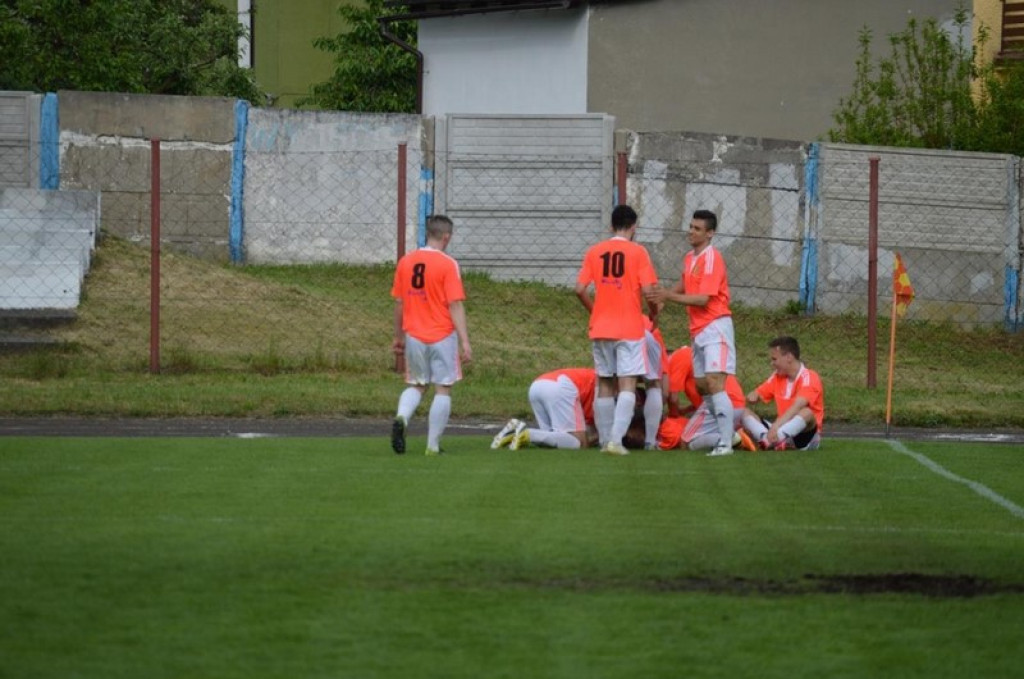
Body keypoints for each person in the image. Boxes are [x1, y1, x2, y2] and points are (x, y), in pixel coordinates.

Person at [647, 209, 737, 456]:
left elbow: (702, 299)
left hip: (716, 326)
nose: (691, 232)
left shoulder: (712, 258)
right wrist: (662, 300)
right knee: (701, 386)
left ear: (710, 233)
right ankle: (728, 433)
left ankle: (726, 443)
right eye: (690, 226)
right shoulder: (690, 257)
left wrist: (668, 296)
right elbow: (686, 282)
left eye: (697, 229)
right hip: (698, 330)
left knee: (714, 382)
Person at [574, 204, 660, 456]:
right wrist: (654, 313)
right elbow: (649, 291)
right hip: (629, 327)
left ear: (611, 226)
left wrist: (595, 311)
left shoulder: (595, 251)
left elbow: (579, 289)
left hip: (601, 327)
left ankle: (604, 441)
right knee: (627, 382)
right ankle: (615, 441)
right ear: (634, 227)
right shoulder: (639, 252)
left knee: (604, 382)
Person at [390, 215, 472, 456]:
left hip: (414, 334)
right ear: (446, 237)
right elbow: (455, 304)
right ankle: (432, 446)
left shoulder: (406, 261)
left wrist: (398, 337)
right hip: (442, 335)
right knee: (443, 388)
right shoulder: (448, 264)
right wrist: (465, 341)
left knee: (417, 384)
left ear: (428, 234)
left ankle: (402, 417)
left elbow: (399, 303)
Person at [658, 346, 756, 452]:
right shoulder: (693, 354)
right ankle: (736, 436)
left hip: (719, 402)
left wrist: (673, 417)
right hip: (736, 404)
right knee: (701, 435)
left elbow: (673, 398)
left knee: (685, 442)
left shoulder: (675, 359)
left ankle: (733, 438)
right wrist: (685, 410)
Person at [742, 336, 825, 450]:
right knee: (743, 412)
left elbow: (797, 406)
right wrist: (749, 397)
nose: (772, 363)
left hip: (802, 434)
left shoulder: (810, 377)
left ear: (789, 357)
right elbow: (755, 395)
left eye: (774, 359)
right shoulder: (777, 377)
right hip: (781, 429)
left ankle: (772, 441)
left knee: (807, 413)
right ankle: (768, 440)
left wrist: (776, 426)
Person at [491, 368, 597, 450]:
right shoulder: (603, 386)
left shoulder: (597, 375)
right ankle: (526, 433)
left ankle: (514, 431)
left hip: (538, 385)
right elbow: (589, 437)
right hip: (562, 387)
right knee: (579, 442)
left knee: (552, 440)